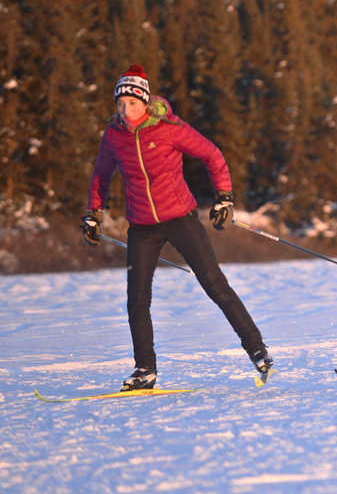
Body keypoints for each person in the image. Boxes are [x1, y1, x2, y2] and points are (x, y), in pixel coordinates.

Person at [80, 64, 272, 391]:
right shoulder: (114, 136)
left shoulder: (168, 127)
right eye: (120, 104)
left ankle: (257, 350)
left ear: (144, 101)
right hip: (141, 226)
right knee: (136, 299)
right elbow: (101, 175)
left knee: (214, 283)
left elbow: (212, 155)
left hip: (180, 218)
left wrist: (224, 197)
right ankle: (145, 370)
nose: (125, 111)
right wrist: (93, 213)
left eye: (132, 103)